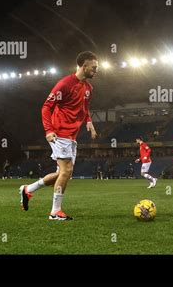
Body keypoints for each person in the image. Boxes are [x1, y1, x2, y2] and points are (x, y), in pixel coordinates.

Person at [19, 51, 99, 220]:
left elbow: (84, 109)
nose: (96, 70)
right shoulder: (65, 84)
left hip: (72, 136)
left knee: (63, 173)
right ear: (84, 66)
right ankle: (55, 212)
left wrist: (89, 122)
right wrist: (49, 130)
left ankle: (28, 190)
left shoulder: (88, 89)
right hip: (59, 132)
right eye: (94, 67)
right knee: (67, 170)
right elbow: (46, 107)